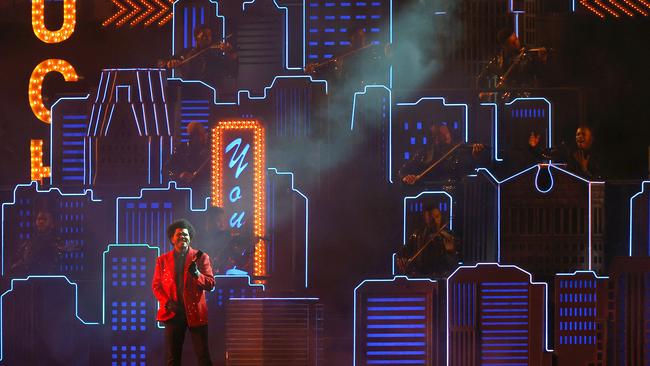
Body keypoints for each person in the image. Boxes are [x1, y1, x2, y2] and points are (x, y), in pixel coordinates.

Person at [152, 219, 215, 366]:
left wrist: (198, 274)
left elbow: (211, 284)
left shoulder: (201, 257)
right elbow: (156, 286)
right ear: (172, 238)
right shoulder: (162, 260)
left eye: (186, 234)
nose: (183, 237)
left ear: (190, 237)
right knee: (173, 358)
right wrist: (167, 303)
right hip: (173, 312)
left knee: (203, 356)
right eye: (179, 234)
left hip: (195, 312)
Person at [399, 124, 485, 185]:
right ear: (434, 137)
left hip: (454, 191)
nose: (447, 136)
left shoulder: (458, 151)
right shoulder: (424, 153)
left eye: (447, 133)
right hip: (430, 191)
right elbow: (404, 170)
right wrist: (407, 177)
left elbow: (467, 169)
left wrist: (475, 156)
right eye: (441, 134)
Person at [163, 25, 237, 88]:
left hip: (210, 90)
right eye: (204, 35)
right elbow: (166, 63)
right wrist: (170, 63)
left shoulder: (215, 54)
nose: (208, 38)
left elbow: (231, 70)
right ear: (196, 37)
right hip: (188, 89)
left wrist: (230, 52)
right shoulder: (186, 52)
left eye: (209, 35)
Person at [396, 206, 459, 277]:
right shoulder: (418, 235)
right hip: (422, 276)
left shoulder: (448, 235)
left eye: (437, 217)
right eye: (431, 219)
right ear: (426, 219)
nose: (435, 221)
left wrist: (450, 251)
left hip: (442, 276)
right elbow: (403, 251)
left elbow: (453, 263)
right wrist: (401, 260)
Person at [477, 28, 547, 90]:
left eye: (516, 39)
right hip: (505, 95)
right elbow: (484, 75)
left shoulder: (529, 53)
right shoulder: (497, 58)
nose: (517, 43)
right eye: (512, 43)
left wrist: (542, 60)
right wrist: (483, 91)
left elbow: (540, 74)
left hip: (526, 93)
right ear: (504, 46)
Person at [10, 210, 65, 276]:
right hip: (29, 276)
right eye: (39, 219)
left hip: (48, 277)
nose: (41, 222)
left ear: (52, 223)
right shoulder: (30, 241)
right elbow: (20, 257)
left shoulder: (56, 241)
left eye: (44, 219)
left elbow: (55, 259)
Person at [165, 122, 210, 186]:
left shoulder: (209, 152)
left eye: (205, 133)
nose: (205, 136)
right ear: (194, 136)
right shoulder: (181, 150)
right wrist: (179, 175)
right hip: (185, 191)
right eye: (202, 134)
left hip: (204, 190)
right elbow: (167, 170)